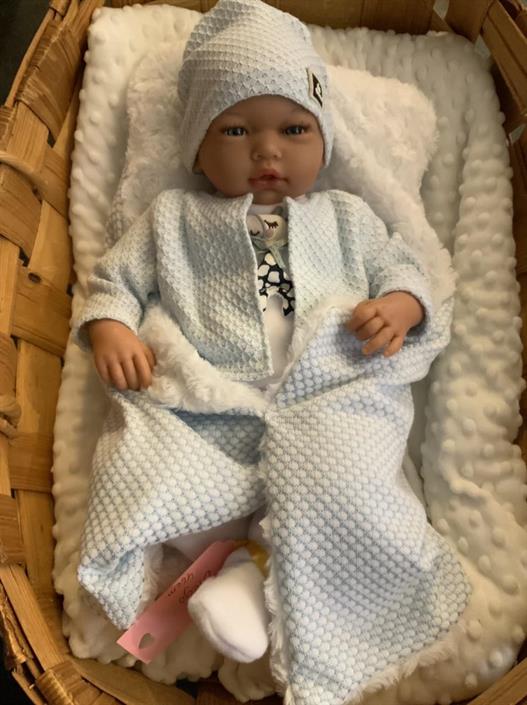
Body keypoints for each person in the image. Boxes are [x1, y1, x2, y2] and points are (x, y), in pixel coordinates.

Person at [74, 0, 469, 697]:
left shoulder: (347, 217)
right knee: (145, 469)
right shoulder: (172, 219)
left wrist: (400, 306)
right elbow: (114, 281)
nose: (266, 151)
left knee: (350, 483)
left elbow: (405, 269)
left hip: (328, 395)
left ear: (324, 138)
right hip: (211, 403)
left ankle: (256, 580)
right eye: (235, 129)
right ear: (197, 147)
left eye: (293, 128)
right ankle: (244, 562)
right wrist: (110, 327)